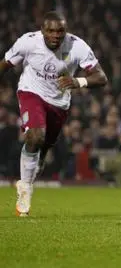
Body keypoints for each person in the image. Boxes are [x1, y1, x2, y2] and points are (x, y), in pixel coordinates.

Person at [0, 11, 108, 216]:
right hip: (30, 92)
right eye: (50, 30)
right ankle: (25, 188)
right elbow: (4, 64)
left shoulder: (77, 46)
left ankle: (33, 168)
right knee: (35, 135)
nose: (55, 35)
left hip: (59, 103)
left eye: (60, 31)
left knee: (44, 147)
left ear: (65, 31)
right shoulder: (28, 42)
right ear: (42, 31)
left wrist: (78, 82)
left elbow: (101, 77)